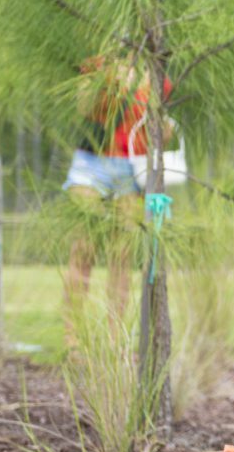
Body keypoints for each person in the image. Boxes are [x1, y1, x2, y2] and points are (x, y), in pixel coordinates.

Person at [62, 54, 170, 330]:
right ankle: (73, 341)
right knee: (83, 248)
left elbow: (162, 127)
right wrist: (112, 79)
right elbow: (85, 107)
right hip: (91, 161)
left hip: (132, 168)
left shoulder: (156, 66)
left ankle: (114, 339)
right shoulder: (100, 56)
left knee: (121, 256)